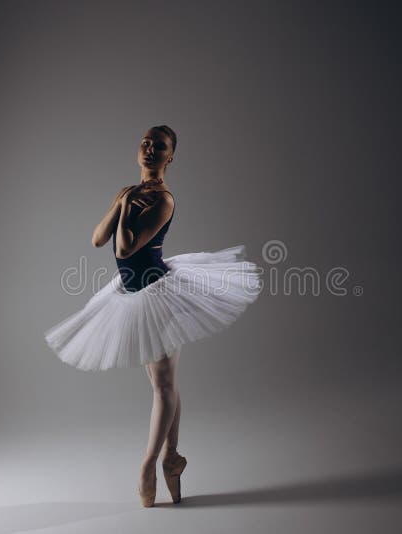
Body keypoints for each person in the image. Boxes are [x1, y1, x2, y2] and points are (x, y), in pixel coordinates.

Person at [43, 125, 261, 507]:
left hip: (159, 294)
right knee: (163, 383)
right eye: (145, 143)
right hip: (130, 295)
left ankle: (149, 466)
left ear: (169, 157)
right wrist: (120, 201)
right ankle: (172, 458)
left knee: (162, 385)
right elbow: (98, 239)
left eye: (158, 146)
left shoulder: (163, 200)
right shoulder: (129, 192)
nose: (148, 149)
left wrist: (126, 207)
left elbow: (126, 248)